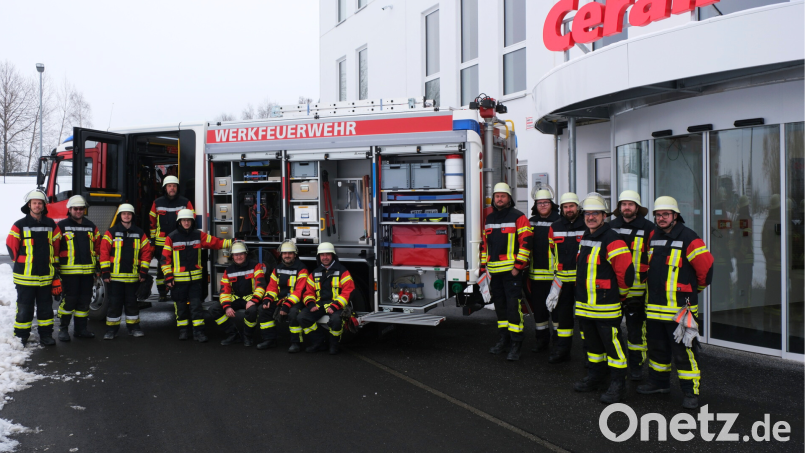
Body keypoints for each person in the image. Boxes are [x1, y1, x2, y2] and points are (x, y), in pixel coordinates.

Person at [638, 196, 713, 410]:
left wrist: (693, 290)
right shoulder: (653, 236)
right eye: (658, 215)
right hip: (654, 309)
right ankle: (658, 383)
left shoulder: (689, 237)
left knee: (684, 352)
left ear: (675, 216)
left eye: (666, 214)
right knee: (657, 349)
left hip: (679, 310)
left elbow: (706, 270)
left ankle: (690, 392)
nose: (661, 218)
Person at [571, 193, 634, 404]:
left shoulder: (612, 239)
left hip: (606, 305)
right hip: (585, 304)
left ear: (604, 216)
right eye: (587, 213)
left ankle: (618, 384)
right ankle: (595, 377)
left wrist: (620, 295)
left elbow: (625, 273)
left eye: (595, 213)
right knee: (592, 346)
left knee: (613, 346)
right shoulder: (586, 236)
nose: (590, 217)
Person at [161, 209, 232, 342]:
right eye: (184, 220)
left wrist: (232, 242)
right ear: (179, 222)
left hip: (195, 281)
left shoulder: (198, 235)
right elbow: (165, 260)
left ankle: (199, 332)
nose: (186, 223)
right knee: (180, 307)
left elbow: (215, 242)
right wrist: (168, 276)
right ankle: (183, 331)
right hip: (178, 282)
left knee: (196, 307)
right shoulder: (171, 237)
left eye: (188, 220)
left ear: (192, 222)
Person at [482, 183, 533, 361]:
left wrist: (518, 267)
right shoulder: (489, 218)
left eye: (503, 196)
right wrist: (483, 267)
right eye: (497, 196)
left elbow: (526, 243)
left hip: (512, 273)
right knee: (500, 308)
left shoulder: (518, 217)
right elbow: (485, 245)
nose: (499, 199)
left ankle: (516, 344)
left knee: (513, 308)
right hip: (494, 273)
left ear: (509, 198)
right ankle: (504, 340)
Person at [6, 190, 61, 346]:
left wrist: (55, 272)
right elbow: (11, 246)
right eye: (34, 203)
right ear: (29, 205)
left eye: (40, 203)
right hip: (25, 278)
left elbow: (57, 246)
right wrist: (21, 262)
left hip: (46, 277)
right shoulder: (19, 224)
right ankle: (21, 336)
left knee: (46, 309)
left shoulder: (51, 224)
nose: (37, 206)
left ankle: (46, 336)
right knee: (25, 309)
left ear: (44, 206)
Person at [608, 190, 653, 380]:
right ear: (619, 207)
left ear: (637, 207)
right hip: (613, 290)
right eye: (624, 204)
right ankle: (616, 365)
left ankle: (636, 367)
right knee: (612, 330)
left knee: (636, 333)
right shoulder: (610, 227)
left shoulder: (649, 228)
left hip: (637, 291)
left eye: (630, 204)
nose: (627, 207)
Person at [99, 204, 153, 339]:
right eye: (124, 214)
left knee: (132, 304)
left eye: (129, 214)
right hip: (115, 278)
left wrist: (143, 272)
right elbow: (104, 253)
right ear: (120, 216)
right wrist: (105, 272)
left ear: (132, 216)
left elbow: (146, 253)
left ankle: (134, 328)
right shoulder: (111, 232)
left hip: (133, 278)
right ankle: (111, 330)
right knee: (114, 304)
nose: (126, 216)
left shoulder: (140, 233)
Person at [545, 192, 586, 363]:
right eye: (566, 207)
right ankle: (562, 350)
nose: (569, 209)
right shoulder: (555, 227)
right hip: (562, 280)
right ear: (561, 209)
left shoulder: (587, 224)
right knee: (563, 317)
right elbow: (551, 253)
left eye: (572, 206)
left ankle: (590, 354)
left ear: (578, 207)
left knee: (584, 319)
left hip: (582, 281)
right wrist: (553, 277)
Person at [56, 195, 101, 341]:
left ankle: (80, 329)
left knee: (85, 301)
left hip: (87, 273)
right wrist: (55, 268)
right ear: (69, 209)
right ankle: (63, 329)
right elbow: (54, 247)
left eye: (81, 209)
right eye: (75, 208)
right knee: (69, 300)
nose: (79, 211)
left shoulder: (91, 226)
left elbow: (98, 247)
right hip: (68, 273)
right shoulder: (61, 226)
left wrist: (98, 267)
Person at [297, 242, 354, 355]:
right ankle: (319, 342)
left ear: (333, 255)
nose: (325, 257)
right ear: (319, 257)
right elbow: (308, 292)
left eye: (328, 254)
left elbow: (349, 291)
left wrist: (336, 306)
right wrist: (311, 304)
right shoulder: (315, 273)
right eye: (322, 255)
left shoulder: (343, 271)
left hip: (337, 305)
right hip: (320, 304)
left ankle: (334, 345)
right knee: (302, 317)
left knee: (336, 320)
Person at [208, 241, 267, 346]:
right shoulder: (229, 270)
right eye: (236, 255)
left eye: (241, 254)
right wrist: (227, 306)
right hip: (235, 298)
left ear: (246, 254)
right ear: (232, 256)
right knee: (214, 309)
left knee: (252, 311)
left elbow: (261, 285)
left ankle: (247, 336)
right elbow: (224, 291)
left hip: (251, 297)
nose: (238, 257)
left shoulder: (255, 266)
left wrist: (254, 300)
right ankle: (233, 334)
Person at [149, 175, 194, 302]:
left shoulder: (185, 202)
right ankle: (162, 293)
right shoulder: (157, 203)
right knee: (161, 269)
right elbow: (152, 223)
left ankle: (178, 293)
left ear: (177, 188)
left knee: (180, 268)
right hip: (161, 244)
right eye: (169, 186)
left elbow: (192, 218)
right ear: (165, 188)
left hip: (180, 242)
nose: (172, 188)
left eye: (174, 186)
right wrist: (153, 241)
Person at [527, 188, 560, 353]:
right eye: (540, 203)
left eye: (546, 202)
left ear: (551, 204)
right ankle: (541, 341)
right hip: (536, 276)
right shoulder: (531, 222)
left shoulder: (560, 221)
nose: (543, 205)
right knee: (539, 311)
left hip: (556, 276)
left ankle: (558, 344)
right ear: (536, 205)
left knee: (557, 312)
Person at [261, 241, 309, 352]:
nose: (287, 255)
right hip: (281, 300)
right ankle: (269, 340)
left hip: (296, 301)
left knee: (293, 313)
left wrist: (287, 305)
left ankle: (296, 342)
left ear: (295, 254)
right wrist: (268, 299)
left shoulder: (302, 269)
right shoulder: (277, 268)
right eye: (284, 253)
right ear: (281, 255)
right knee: (263, 310)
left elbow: (299, 291)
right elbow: (272, 287)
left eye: (290, 253)